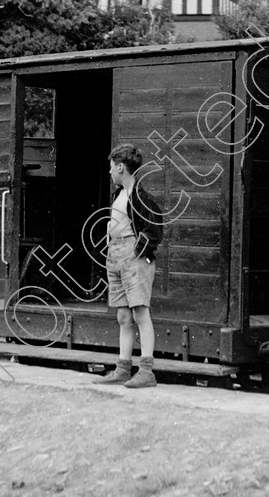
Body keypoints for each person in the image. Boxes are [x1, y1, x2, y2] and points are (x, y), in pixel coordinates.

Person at [94, 144, 163, 388]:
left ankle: (146, 371)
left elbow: (155, 230)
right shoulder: (119, 194)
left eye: (112, 167)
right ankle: (123, 368)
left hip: (133, 257)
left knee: (140, 313)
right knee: (123, 316)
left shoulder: (141, 197)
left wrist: (137, 253)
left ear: (120, 167)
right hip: (115, 255)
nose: (110, 172)